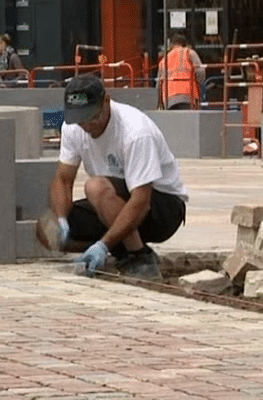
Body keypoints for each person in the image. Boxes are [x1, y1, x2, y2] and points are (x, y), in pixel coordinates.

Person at [38, 74, 188, 280]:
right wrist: (61, 220)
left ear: (106, 102)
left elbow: (141, 201)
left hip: (163, 208)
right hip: (111, 203)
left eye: (92, 116)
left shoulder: (135, 131)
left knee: (95, 187)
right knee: (46, 231)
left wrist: (103, 244)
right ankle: (118, 248)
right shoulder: (73, 128)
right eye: (80, 119)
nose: (87, 125)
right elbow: (63, 179)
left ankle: (139, 257)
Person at [157, 33, 205, 110]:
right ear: (185, 44)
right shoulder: (190, 53)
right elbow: (201, 72)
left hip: (168, 96)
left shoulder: (164, 59)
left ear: (172, 45)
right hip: (188, 94)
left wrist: (159, 102)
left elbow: (159, 83)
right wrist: (199, 84)